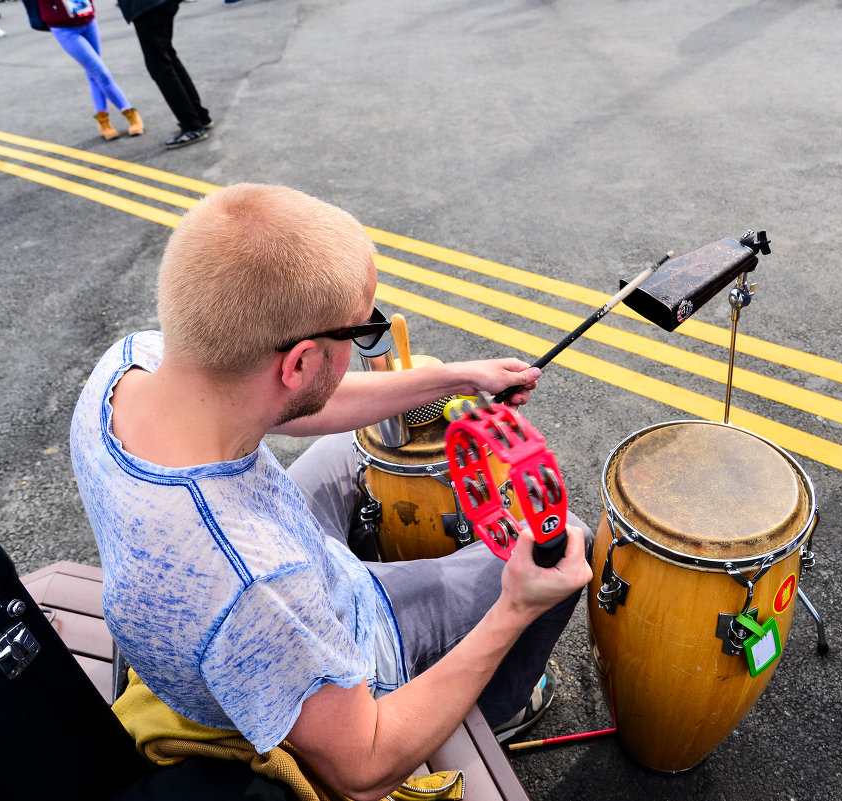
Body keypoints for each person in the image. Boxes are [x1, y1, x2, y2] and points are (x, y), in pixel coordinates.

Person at [69, 183, 594, 800]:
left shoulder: (130, 365)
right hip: (340, 641)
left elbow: (293, 406)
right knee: (570, 540)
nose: (365, 344)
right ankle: (499, 712)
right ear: (297, 363)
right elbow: (364, 768)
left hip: (223, 585)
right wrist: (516, 606)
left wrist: (453, 377)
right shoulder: (254, 581)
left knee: (352, 448)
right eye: (359, 334)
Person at [36, 0, 144, 140]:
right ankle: (129, 112)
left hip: (88, 18)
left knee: (94, 73)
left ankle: (102, 117)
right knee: (101, 74)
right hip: (63, 27)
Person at [113, 0, 211, 149]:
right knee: (167, 56)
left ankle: (192, 126)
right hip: (158, 5)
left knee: (160, 66)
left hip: (147, 7)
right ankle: (199, 117)